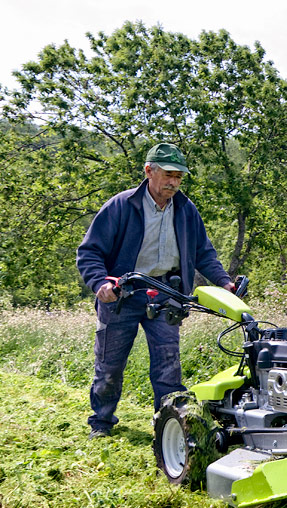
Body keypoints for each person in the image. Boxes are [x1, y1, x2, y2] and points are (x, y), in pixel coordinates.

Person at [77, 143, 234, 438]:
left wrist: (224, 282)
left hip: (166, 294)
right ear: (149, 171)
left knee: (168, 368)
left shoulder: (186, 210)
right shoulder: (121, 206)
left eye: (179, 177)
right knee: (109, 365)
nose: (174, 182)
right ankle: (101, 422)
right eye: (169, 175)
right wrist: (100, 283)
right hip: (122, 295)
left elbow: (204, 253)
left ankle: (168, 428)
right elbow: (89, 252)